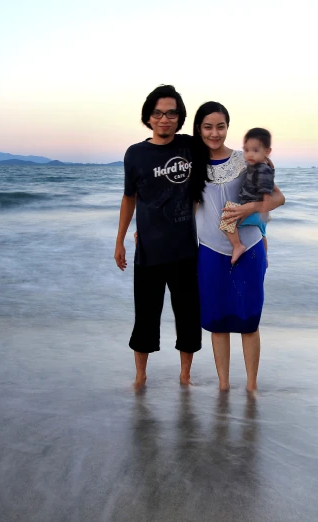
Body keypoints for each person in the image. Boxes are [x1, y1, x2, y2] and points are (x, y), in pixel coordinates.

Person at [189, 102, 285, 392]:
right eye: (208, 127)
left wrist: (249, 209)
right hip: (210, 250)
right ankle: (223, 388)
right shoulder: (194, 165)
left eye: (220, 126)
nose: (214, 133)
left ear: (227, 127)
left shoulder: (246, 160)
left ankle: (252, 388)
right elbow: (188, 208)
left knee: (248, 319)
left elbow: (279, 198)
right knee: (217, 323)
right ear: (199, 129)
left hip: (250, 247)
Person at [114, 85, 201, 389]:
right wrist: (120, 240)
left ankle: (185, 376)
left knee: (188, 317)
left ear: (180, 118)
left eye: (171, 113)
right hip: (148, 251)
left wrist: (259, 166)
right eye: (158, 113)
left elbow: (221, 158)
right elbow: (129, 198)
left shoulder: (191, 147)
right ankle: (140, 377)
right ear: (148, 117)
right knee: (146, 319)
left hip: (186, 250)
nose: (165, 119)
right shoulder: (135, 154)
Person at [220, 128, 275, 265]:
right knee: (262, 235)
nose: (250, 154)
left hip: (255, 211)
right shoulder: (259, 165)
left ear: (267, 152)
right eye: (246, 150)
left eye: (255, 150)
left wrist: (264, 208)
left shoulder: (262, 169)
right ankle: (265, 257)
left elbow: (266, 190)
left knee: (227, 219)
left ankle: (237, 245)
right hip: (260, 214)